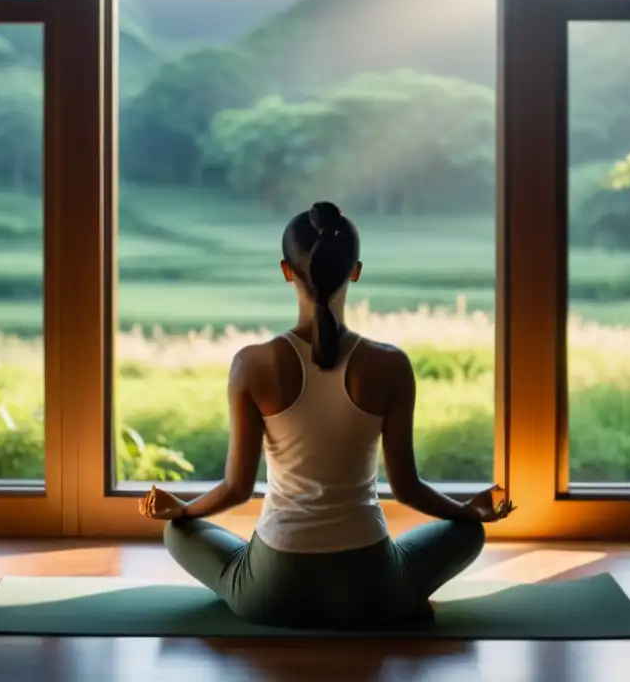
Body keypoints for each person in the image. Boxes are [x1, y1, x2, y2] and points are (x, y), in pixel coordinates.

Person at [139, 201, 514, 630]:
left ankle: (276, 585)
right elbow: (407, 488)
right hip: (371, 587)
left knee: (178, 532)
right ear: (354, 271)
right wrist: (469, 511)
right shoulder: (391, 365)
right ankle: (400, 597)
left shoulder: (251, 364)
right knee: (468, 534)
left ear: (286, 270)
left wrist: (181, 510)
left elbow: (237, 489)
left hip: (271, 593)